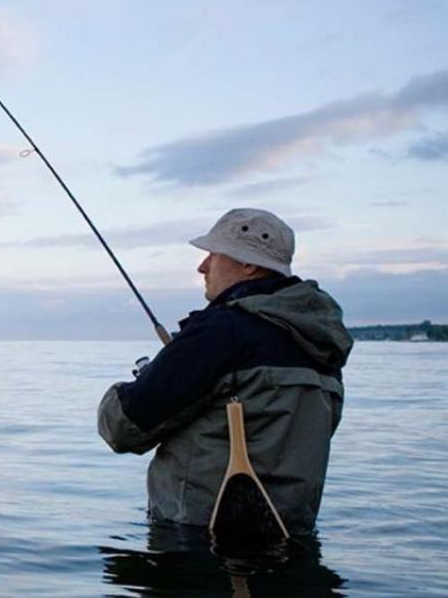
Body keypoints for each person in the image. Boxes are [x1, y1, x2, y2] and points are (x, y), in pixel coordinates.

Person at [97, 208, 352, 535]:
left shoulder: (222, 332)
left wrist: (145, 381)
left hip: (199, 545)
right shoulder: (320, 344)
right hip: (292, 538)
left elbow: (122, 428)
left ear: (248, 265)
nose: (202, 266)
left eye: (213, 256)